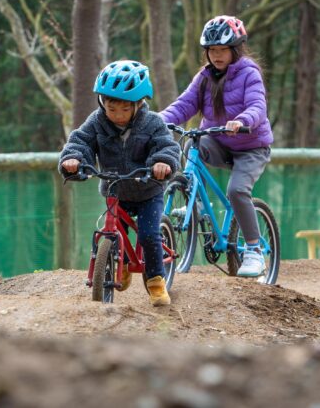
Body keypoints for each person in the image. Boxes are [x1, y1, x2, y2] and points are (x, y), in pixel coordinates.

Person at [159, 15, 273, 278]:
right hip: (219, 141)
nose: (217, 55)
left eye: (222, 50)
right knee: (191, 143)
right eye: (212, 50)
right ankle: (194, 203)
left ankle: (254, 250)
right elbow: (185, 105)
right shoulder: (204, 77)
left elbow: (258, 106)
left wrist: (242, 120)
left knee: (236, 190)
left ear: (235, 49)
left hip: (251, 146)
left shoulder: (249, 72)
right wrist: (156, 120)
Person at [58, 60, 180, 306]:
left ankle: (156, 280)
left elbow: (167, 146)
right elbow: (80, 141)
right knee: (115, 231)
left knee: (148, 234)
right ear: (102, 103)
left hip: (148, 190)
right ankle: (118, 264)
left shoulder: (153, 122)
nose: (117, 116)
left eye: (125, 109)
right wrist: (72, 159)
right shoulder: (97, 121)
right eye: (111, 108)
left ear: (139, 104)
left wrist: (162, 163)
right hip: (115, 190)